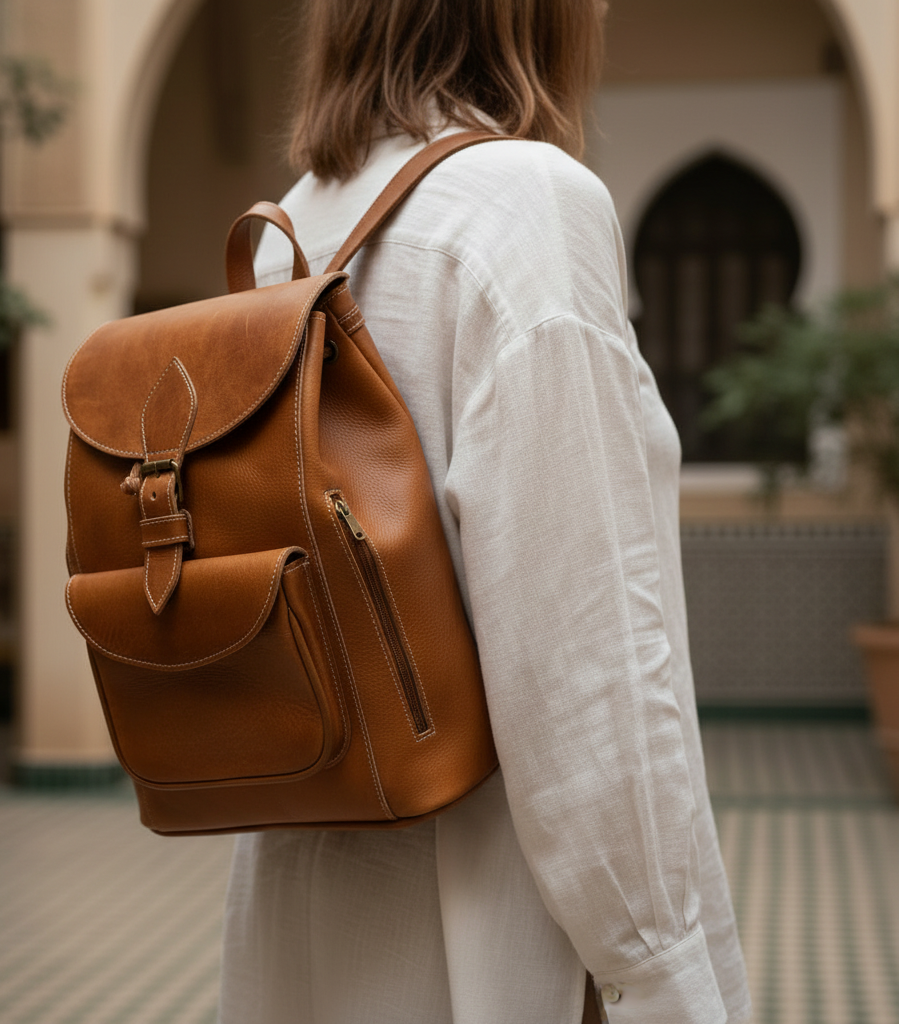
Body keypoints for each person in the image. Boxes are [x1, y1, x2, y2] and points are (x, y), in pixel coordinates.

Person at [218, 1, 752, 1022]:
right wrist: (670, 980)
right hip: (482, 948)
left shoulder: (291, 228)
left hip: (303, 939)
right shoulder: (523, 208)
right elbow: (586, 677)